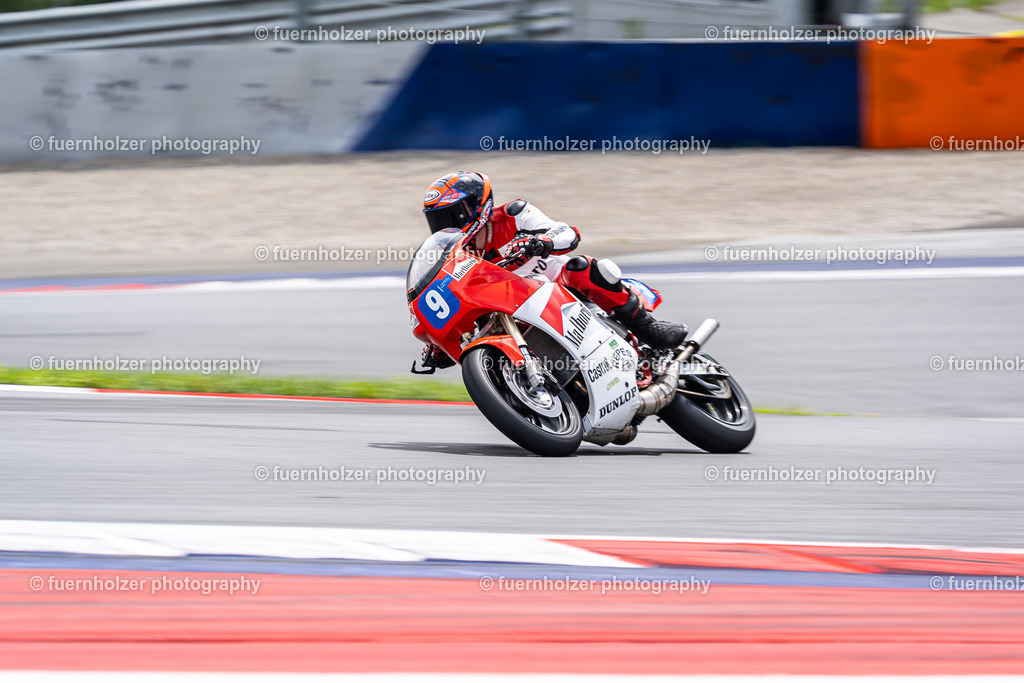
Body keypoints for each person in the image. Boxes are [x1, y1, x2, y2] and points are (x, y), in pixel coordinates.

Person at [419, 171, 686, 370]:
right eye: (439, 220)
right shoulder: (456, 255)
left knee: (583, 267)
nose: (447, 226)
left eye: (454, 216)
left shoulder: (514, 214)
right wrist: (441, 343)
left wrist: (541, 241)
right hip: (514, 306)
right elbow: (453, 295)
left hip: (562, 288)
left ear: (479, 205)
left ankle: (649, 329)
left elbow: (567, 233)